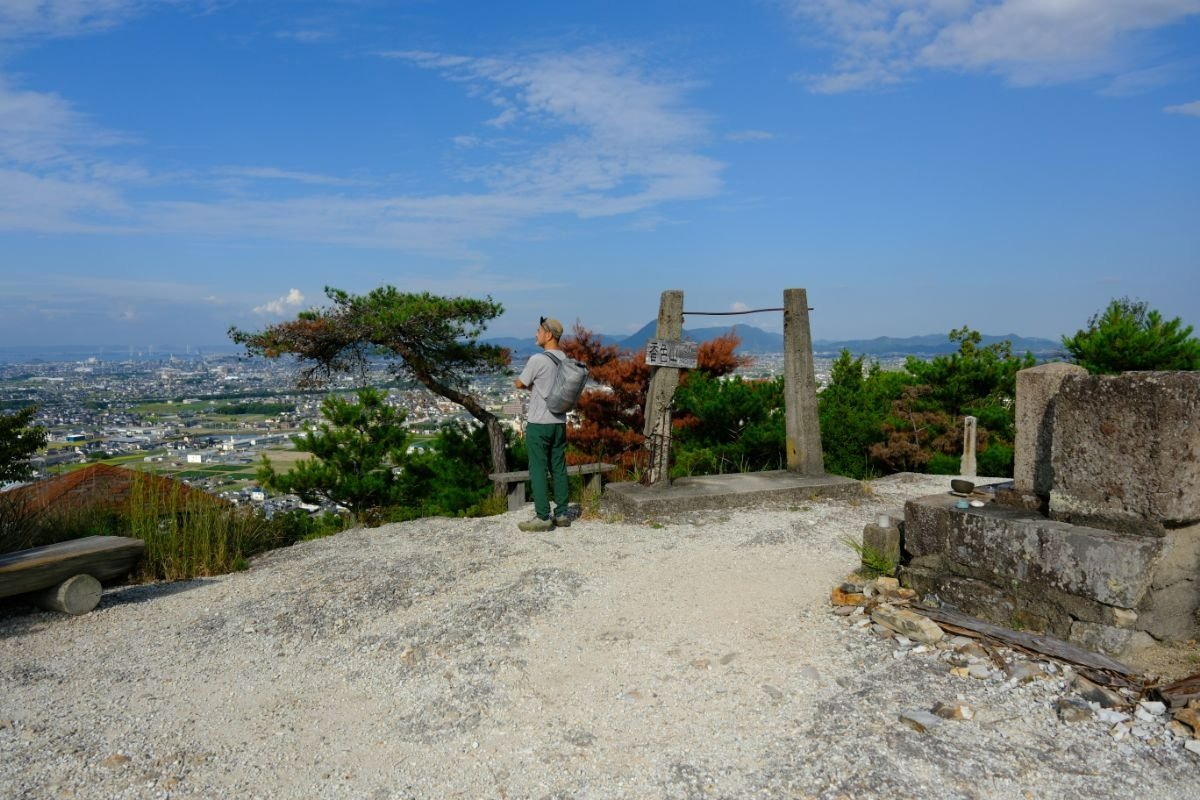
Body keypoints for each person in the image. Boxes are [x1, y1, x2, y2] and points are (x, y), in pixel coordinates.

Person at [514, 316, 571, 531]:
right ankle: (563, 513)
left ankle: (543, 516)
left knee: (537, 468)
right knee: (558, 466)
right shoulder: (565, 359)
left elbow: (521, 383)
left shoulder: (538, 360)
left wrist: (523, 384)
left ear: (548, 335)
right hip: (559, 422)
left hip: (539, 422)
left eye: (538, 331)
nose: (536, 334)